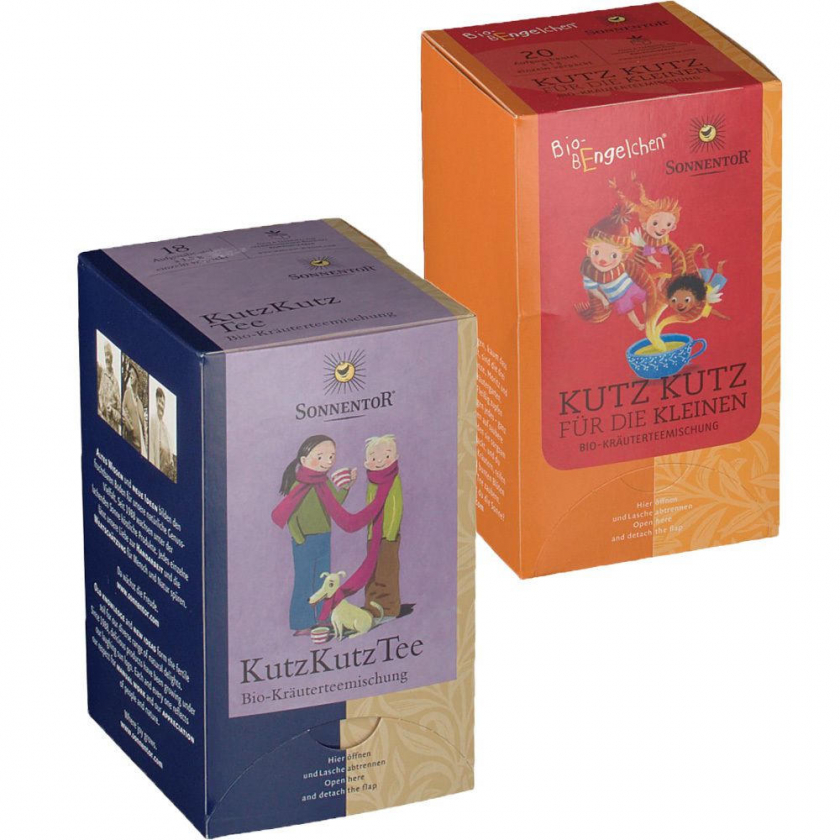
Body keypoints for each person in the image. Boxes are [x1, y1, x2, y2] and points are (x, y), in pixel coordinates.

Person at [274, 436, 357, 635]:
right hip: (304, 541)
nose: (328, 461)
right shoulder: (298, 485)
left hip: (324, 537)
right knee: (304, 581)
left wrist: (347, 486)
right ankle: (302, 623)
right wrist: (299, 539)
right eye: (320, 456)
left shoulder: (323, 482)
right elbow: (290, 515)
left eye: (331, 456)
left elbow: (335, 504)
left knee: (324, 581)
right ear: (304, 460)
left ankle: (323, 618)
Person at [362, 435, 403, 620]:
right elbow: (369, 507)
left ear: (395, 458)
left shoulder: (393, 480)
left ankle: (389, 608)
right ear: (366, 462)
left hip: (388, 536)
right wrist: (371, 533)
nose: (379, 461)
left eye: (385, 456)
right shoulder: (372, 482)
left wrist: (390, 535)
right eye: (373, 457)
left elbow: (396, 507)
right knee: (372, 571)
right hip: (373, 535)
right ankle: (372, 606)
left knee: (386, 571)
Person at [149, 386, 176, 480]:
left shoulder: (165, 427)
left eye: (163, 404)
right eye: (160, 402)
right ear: (156, 402)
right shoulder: (153, 420)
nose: (161, 406)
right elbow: (152, 449)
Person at [121, 362, 147, 457]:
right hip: (130, 443)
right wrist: (130, 426)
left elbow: (143, 428)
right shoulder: (127, 393)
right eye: (129, 374)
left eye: (132, 374)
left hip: (140, 448)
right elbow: (122, 411)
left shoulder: (140, 403)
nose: (130, 376)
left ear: (137, 377)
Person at [97, 343, 120, 432]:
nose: (107, 358)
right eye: (105, 355)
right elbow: (99, 395)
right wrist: (100, 409)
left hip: (113, 427)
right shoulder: (102, 375)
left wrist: (112, 411)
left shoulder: (115, 383)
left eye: (109, 355)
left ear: (112, 358)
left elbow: (120, 416)